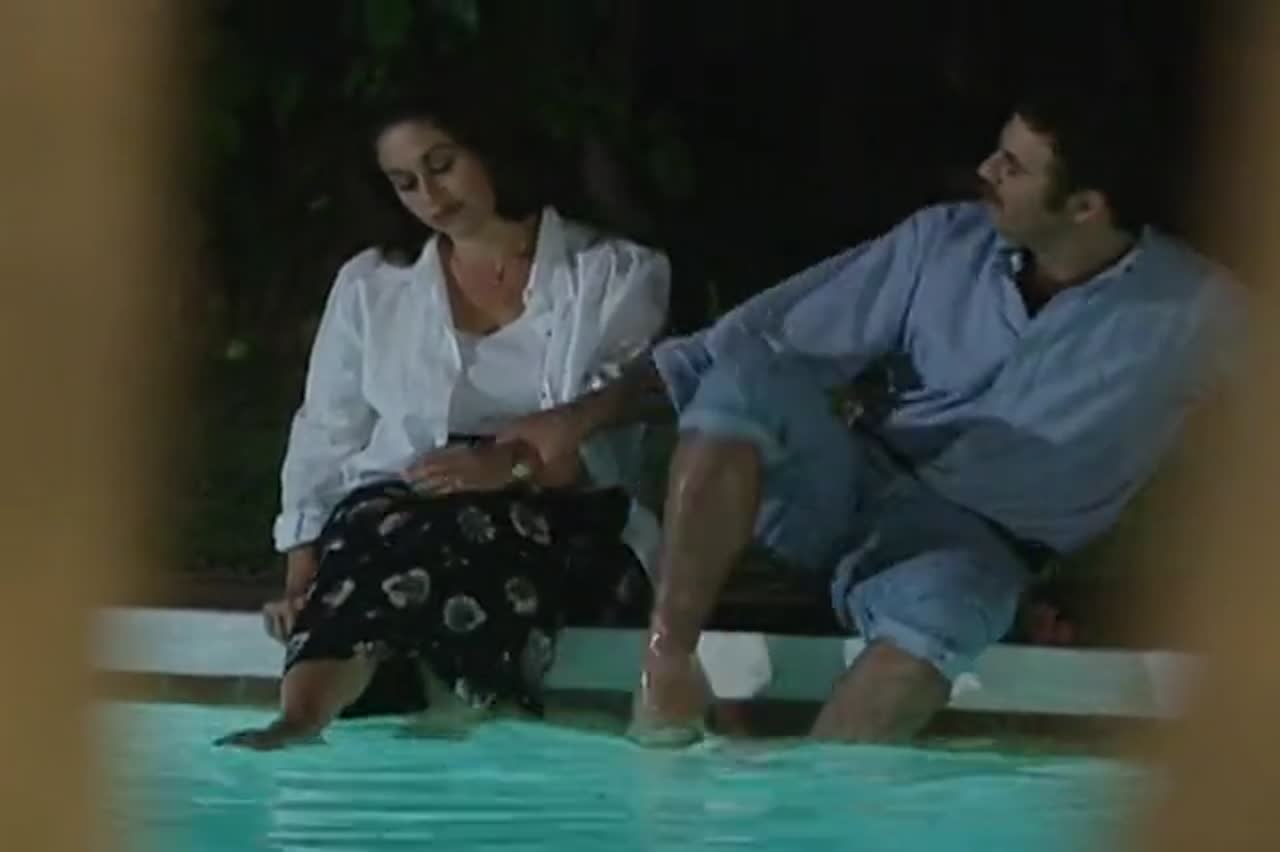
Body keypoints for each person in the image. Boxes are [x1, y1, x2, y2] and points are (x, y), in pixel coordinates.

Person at [500, 74, 1244, 744]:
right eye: (997, 151)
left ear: (1085, 206)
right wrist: (578, 420)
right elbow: (731, 346)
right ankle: (666, 667)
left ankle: (819, 811)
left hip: (971, 546)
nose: (986, 171)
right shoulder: (944, 241)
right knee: (749, 371)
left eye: (1013, 167)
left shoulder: (1198, 309)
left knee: (945, 614)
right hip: (844, 486)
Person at [216, 87, 670, 749]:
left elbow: (610, 430)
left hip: (561, 511)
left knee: (456, 530)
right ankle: (300, 720)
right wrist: (300, 578)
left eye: (442, 165)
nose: (429, 195)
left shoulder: (613, 273)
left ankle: (441, 708)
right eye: (405, 182)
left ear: (489, 151)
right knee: (388, 528)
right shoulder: (373, 283)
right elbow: (328, 428)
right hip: (396, 511)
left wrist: (508, 466)